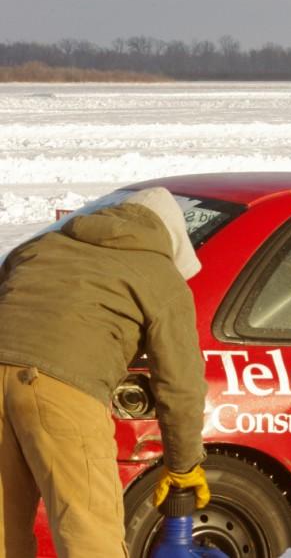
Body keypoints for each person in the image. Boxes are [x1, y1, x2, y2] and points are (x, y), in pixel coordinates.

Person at [0, 187, 209, 557]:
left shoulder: (40, 247)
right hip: (61, 391)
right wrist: (183, 465)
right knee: (88, 534)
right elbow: (180, 384)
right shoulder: (159, 275)